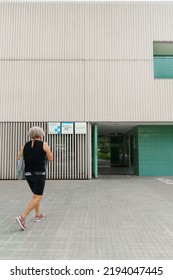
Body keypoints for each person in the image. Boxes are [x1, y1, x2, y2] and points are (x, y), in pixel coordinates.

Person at [16, 126, 53, 230]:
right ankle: (22, 216)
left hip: (28, 174)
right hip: (39, 173)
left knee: (35, 196)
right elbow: (50, 158)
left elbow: (19, 158)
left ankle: (38, 215)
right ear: (40, 135)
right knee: (38, 197)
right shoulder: (43, 144)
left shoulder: (25, 145)